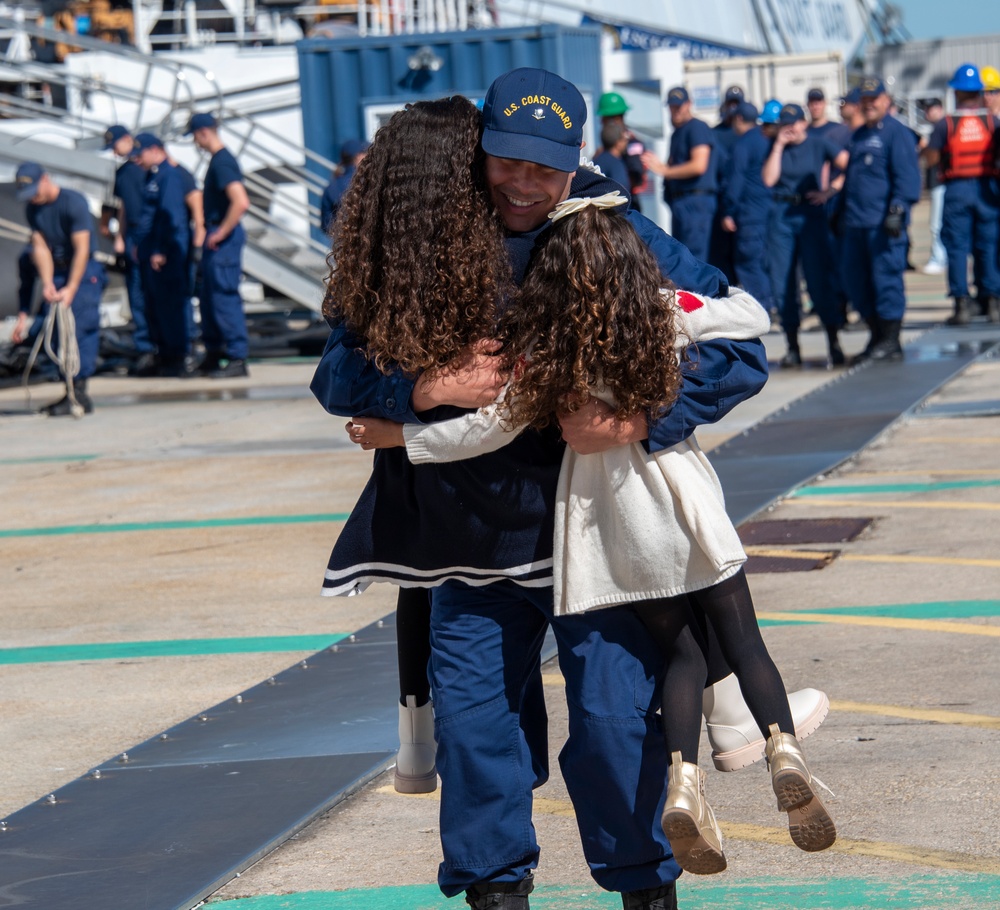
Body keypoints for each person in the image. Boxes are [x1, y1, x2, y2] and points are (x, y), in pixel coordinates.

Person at [312, 70, 823, 910]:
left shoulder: (608, 226)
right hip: (469, 553)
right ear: (481, 150)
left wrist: (643, 416)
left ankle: (644, 890)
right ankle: (495, 893)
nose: (521, 183)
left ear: (573, 160)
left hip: (598, 546)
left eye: (542, 167)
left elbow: (737, 342)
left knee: (616, 732)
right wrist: (426, 390)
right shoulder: (428, 234)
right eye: (506, 161)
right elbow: (337, 370)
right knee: (476, 739)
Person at [834, 77, 922, 361]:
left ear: (886, 100)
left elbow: (907, 178)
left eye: (875, 99)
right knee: (855, 281)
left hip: (883, 226)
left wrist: (897, 210)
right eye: (866, 100)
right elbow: (852, 181)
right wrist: (838, 212)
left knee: (886, 280)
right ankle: (875, 335)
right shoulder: (858, 136)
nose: (870, 104)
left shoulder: (897, 134)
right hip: (856, 224)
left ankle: (891, 340)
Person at [11, 162, 107, 415]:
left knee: (80, 328)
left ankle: (79, 393)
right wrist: (48, 282)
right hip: (58, 269)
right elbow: (40, 247)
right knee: (55, 331)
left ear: (45, 179)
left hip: (83, 270)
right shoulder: (34, 210)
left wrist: (72, 287)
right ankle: (68, 388)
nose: (35, 197)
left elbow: (82, 249)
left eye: (35, 190)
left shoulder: (72, 202)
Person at [762, 103, 846, 367]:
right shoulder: (776, 147)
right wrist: (778, 146)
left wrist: (830, 190)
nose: (791, 128)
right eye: (786, 124)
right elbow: (768, 179)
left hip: (810, 214)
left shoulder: (819, 144)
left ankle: (833, 341)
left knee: (818, 279)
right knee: (783, 281)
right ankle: (793, 346)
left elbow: (846, 164)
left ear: (804, 123)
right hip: (782, 215)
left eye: (795, 123)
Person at [922, 64, 1000, 325]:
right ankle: (991, 302)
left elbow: (931, 158)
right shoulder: (992, 122)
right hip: (987, 189)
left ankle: (961, 304)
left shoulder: (946, 124)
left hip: (957, 190)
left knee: (957, 248)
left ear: (956, 92)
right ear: (979, 92)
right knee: (987, 246)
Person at [188, 111, 253, 376]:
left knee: (224, 298)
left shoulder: (223, 162)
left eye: (194, 136)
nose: (195, 143)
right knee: (209, 299)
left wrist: (221, 231)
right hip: (216, 239)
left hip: (222, 240)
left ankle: (237, 358)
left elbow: (241, 201)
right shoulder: (218, 161)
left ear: (204, 133)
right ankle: (215, 353)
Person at [130, 132, 194, 376]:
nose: (137, 160)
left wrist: (160, 250)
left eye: (141, 154)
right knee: (156, 306)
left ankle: (179, 355)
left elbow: (171, 217)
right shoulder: (154, 175)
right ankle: (165, 354)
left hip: (166, 254)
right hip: (151, 251)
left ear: (155, 149)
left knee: (171, 306)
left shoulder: (169, 176)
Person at [102, 123, 156, 374]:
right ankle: (145, 347)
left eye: (116, 146)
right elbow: (121, 205)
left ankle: (168, 346)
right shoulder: (123, 173)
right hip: (134, 234)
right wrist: (121, 237)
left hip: (153, 234)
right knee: (136, 293)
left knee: (158, 292)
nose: (114, 152)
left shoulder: (150, 170)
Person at [642, 86, 717, 262]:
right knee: (686, 257)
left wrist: (665, 170)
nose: (676, 110)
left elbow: (699, 165)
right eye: (672, 106)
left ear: (689, 104)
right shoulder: (678, 133)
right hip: (684, 203)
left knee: (694, 259)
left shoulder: (696, 127)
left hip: (695, 202)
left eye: (679, 105)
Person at [720, 102, 774, 316]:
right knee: (766, 262)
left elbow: (736, 181)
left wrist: (729, 211)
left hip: (749, 212)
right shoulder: (766, 140)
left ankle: (761, 310)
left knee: (749, 263)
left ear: (739, 119)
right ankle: (772, 304)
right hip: (768, 210)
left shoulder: (743, 144)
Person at [596, 91, 649, 211]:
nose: (601, 122)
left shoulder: (633, 144)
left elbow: (637, 176)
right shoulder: (605, 150)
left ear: (615, 119)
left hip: (627, 203)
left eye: (603, 119)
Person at [918, 98, 948, 275]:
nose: (928, 112)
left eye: (931, 108)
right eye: (926, 109)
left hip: (942, 181)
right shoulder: (940, 128)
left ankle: (939, 258)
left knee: (937, 223)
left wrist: (926, 150)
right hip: (941, 182)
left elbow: (932, 159)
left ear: (940, 108)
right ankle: (941, 257)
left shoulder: (943, 126)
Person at [320, 138, 368, 233]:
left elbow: (326, 225)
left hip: (344, 243)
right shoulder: (368, 182)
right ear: (358, 157)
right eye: (365, 154)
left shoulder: (331, 187)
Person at [593, 119, 631, 190]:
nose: (626, 142)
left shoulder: (596, 160)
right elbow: (621, 191)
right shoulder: (615, 164)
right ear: (618, 143)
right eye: (624, 139)